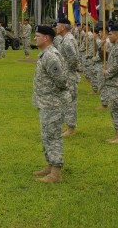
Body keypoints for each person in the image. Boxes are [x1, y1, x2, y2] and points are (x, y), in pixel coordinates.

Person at [31, 25, 70, 183]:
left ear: (46, 38)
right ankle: (50, 164)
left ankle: (55, 173)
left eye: (37, 35)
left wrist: (53, 94)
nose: (35, 38)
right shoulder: (45, 54)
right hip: (46, 102)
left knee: (53, 136)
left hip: (53, 103)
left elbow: (61, 80)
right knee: (46, 135)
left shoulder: (51, 56)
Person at [55, 19, 80, 137]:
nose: (56, 27)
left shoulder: (67, 41)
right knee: (67, 101)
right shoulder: (65, 39)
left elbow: (73, 58)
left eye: (58, 25)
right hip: (67, 74)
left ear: (63, 27)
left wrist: (68, 71)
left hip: (69, 76)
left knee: (70, 101)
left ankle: (71, 128)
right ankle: (69, 126)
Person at [103, 25, 118, 144]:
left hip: (117, 83)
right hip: (113, 83)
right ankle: (117, 134)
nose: (108, 36)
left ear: (117, 35)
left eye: (110, 34)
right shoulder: (114, 46)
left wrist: (107, 72)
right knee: (113, 109)